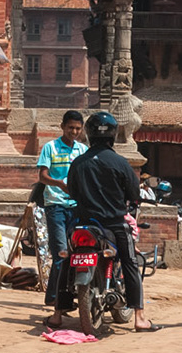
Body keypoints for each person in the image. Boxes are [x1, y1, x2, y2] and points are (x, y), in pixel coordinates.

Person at [53, 111, 157, 333]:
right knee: (130, 262)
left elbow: (71, 191)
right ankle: (139, 317)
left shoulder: (78, 163)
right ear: (112, 135)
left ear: (88, 134)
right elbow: (134, 194)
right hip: (113, 224)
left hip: (82, 224)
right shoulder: (120, 163)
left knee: (67, 260)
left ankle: (57, 314)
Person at [34, 110, 86, 312]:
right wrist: (60, 185)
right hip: (55, 205)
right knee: (61, 253)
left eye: (78, 129)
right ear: (63, 126)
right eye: (71, 127)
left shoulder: (82, 150)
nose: (74, 131)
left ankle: (63, 295)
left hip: (76, 207)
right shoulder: (50, 147)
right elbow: (42, 176)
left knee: (77, 252)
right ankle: (55, 298)